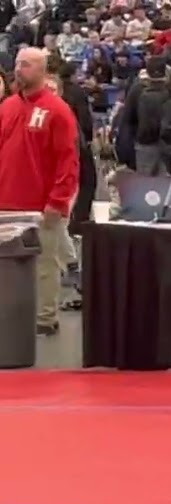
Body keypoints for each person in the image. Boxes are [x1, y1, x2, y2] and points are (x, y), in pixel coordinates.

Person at [0, 47, 79, 337]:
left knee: (45, 263)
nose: (19, 69)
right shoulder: (7, 107)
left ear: (42, 71)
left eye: (27, 65)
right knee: (7, 265)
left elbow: (68, 160)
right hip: (6, 200)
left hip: (41, 205)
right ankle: (9, 315)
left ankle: (45, 318)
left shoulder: (57, 110)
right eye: (18, 64)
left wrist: (58, 201)